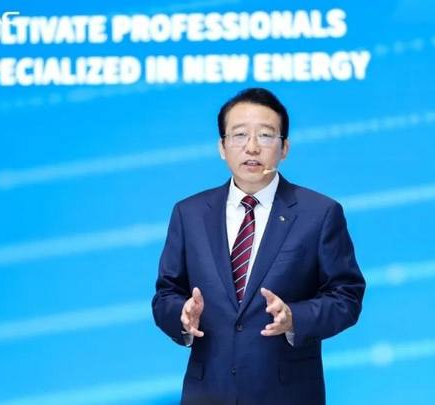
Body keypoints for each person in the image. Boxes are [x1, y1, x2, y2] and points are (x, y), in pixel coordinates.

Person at [152, 87, 365, 405]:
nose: (251, 147)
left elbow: (346, 296)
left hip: (288, 394)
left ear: (284, 147)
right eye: (239, 135)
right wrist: (182, 315)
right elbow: (166, 294)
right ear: (222, 147)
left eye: (265, 135)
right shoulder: (189, 213)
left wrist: (295, 317)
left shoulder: (319, 213)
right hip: (208, 394)